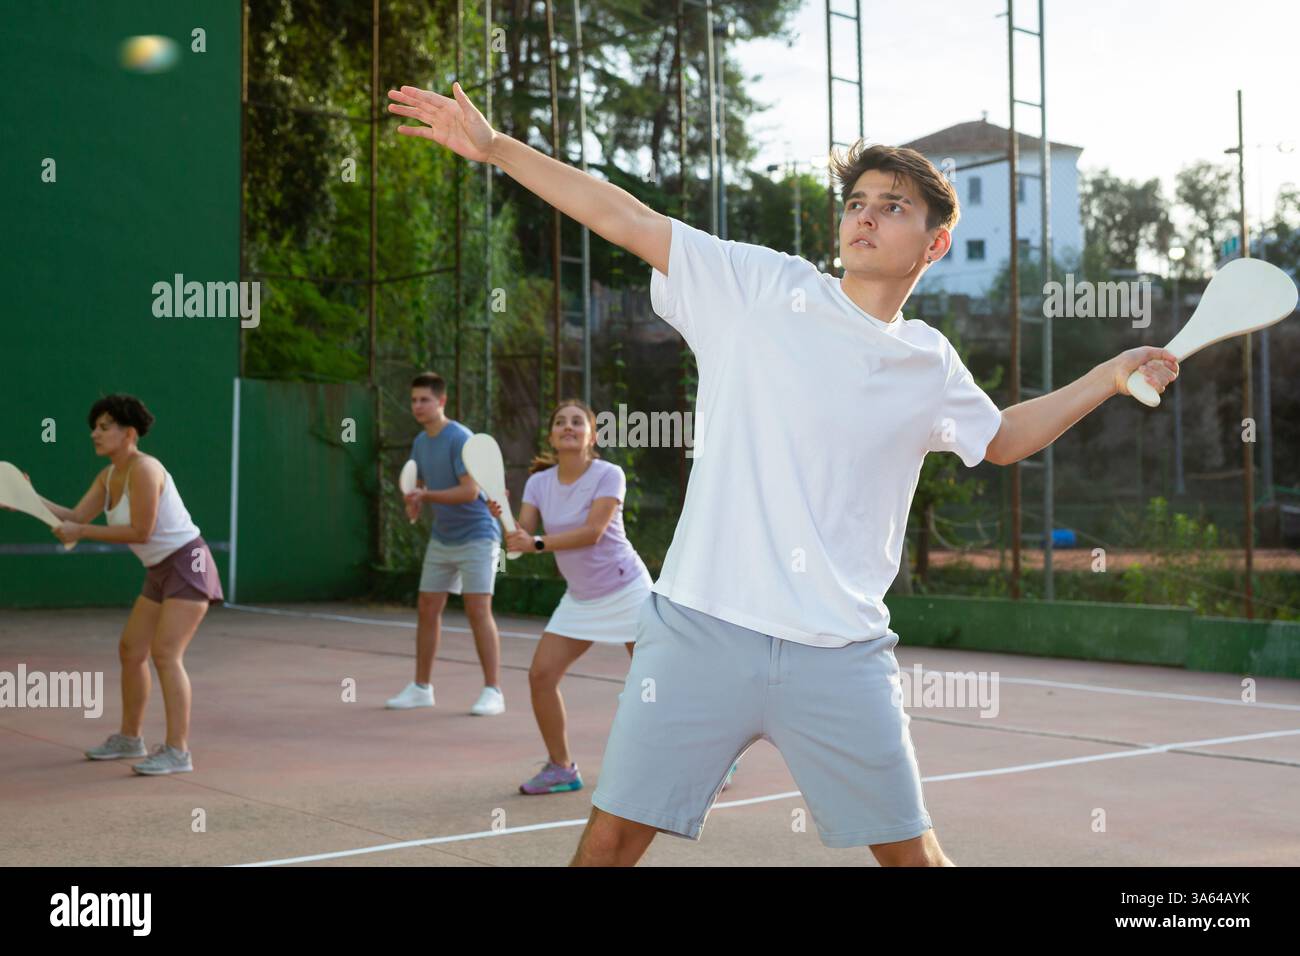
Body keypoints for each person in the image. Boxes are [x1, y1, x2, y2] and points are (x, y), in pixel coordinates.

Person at [387, 82, 1179, 866]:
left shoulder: (928, 361)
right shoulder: (761, 287)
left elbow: (1002, 438)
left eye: (893, 206)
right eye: (858, 201)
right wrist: (495, 149)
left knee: (915, 859)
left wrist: (1107, 376)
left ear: (936, 243)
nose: (865, 215)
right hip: (700, 628)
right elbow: (622, 215)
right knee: (611, 840)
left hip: (840, 651)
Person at [40, 395, 223, 775]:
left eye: (105, 426)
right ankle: (130, 738)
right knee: (130, 650)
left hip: (188, 561)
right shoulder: (108, 476)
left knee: (165, 653)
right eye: (94, 426)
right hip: (159, 568)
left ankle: (178, 751)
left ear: (130, 433)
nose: (95, 433)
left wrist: (83, 532)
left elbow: (141, 530)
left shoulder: (145, 469)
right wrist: (26, 498)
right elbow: (74, 516)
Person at [488, 398, 654, 794]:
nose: (568, 426)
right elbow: (519, 541)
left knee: (655, 682)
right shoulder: (538, 483)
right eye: (560, 422)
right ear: (550, 435)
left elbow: (592, 532)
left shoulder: (609, 475)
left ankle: (708, 761)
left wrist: (537, 542)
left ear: (591, 435)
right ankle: (562, 768)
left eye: (577, 422)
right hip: (580, 598)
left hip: (627, 590)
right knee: (541, 676)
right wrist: (503, 516)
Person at [387, 372, 506, 716]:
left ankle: (493, 691)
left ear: (442, 401)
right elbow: (420, 482)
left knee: (477, 608)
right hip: (443, 536)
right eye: (413, 400)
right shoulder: (420, 442)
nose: (418, 406)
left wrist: (427, 495)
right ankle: (421, 688)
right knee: (427, 607)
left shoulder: (460, 438)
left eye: (425, 400)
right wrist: (416, 500)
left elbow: (470, 491)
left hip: (479, 534)